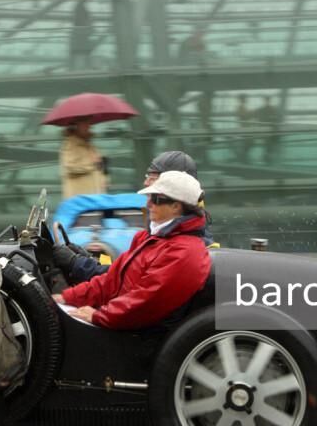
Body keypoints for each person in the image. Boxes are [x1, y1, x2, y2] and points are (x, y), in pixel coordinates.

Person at [51, 171, 210, 329]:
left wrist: (98, 316)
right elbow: (111, 280)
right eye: (149, 197)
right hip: (121, 319)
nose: (148, 204)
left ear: (176, 206)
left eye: (155, 199)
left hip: (139, 334)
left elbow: (146, 302)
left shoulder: (183, 252)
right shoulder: (149, 238)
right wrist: (66, 298)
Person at [54, 150, 205, 285]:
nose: (146, 182)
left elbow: (131, 281)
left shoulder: (175, 240)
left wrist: (79, 264)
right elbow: (126, 268)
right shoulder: (162, 228)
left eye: (153, 178)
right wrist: (86, 259)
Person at [58, 118, 108, 198]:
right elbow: (71, 167)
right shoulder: (70, 145)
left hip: (95, 197)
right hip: (80, 200)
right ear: (76, 126)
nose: (89, 126)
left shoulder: (89, 146)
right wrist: (93, 163)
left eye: (89, 123)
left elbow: (100, 167)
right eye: (85, 123)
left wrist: (104, 179)